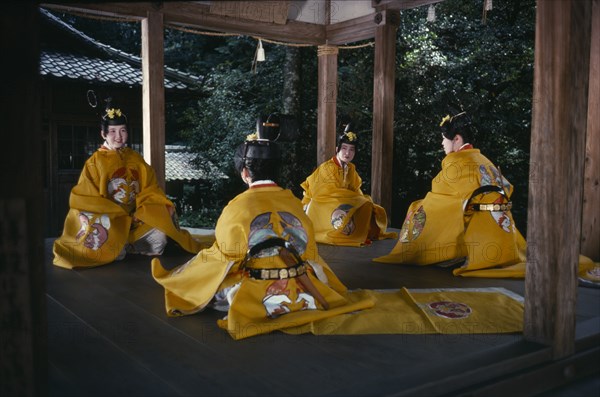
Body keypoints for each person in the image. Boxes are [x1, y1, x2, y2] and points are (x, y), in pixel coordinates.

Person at [151, 115, 374, 340]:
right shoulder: (294, 204)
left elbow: (226, 256)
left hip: (256, 286)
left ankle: (250, 300)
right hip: (297, 284)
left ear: (245, 173)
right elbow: (309, 253)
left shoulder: (236, 207)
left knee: (207, 277)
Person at [373, 111, 528, 277]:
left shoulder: (458, 161)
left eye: (444, 138)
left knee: (419, 208)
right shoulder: (483, 160)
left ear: (457, 139)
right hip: (500, 223)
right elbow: (506, 187)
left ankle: (446, 251)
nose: (442, 143)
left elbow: (438, 191)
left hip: (474, 219)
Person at [53, 100, 203, 269]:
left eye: (123, 130)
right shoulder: (94, 163)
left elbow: (151, 189)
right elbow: (86, 198)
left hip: (136, 217)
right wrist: (116, 212)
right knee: (109, 246)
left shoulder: (135, 158)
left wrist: (141, 211)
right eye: (112, 132)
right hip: (110, 217)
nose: (119, 136)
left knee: (159, 239)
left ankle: (127, 244)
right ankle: (121, 244)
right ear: (103, 134)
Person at [300, 124, 397, 247]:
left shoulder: (351, 168)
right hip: (320, 202)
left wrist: (361, 200)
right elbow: (327, 192)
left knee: (367, 204)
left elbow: (355, 190)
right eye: (344, 148)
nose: (347, 153)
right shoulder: (327, 167)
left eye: (351, 149)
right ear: (337, 149)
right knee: (351, 206)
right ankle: (350, 235)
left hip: (339, 200)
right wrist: (354, 199)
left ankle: (362, 234)